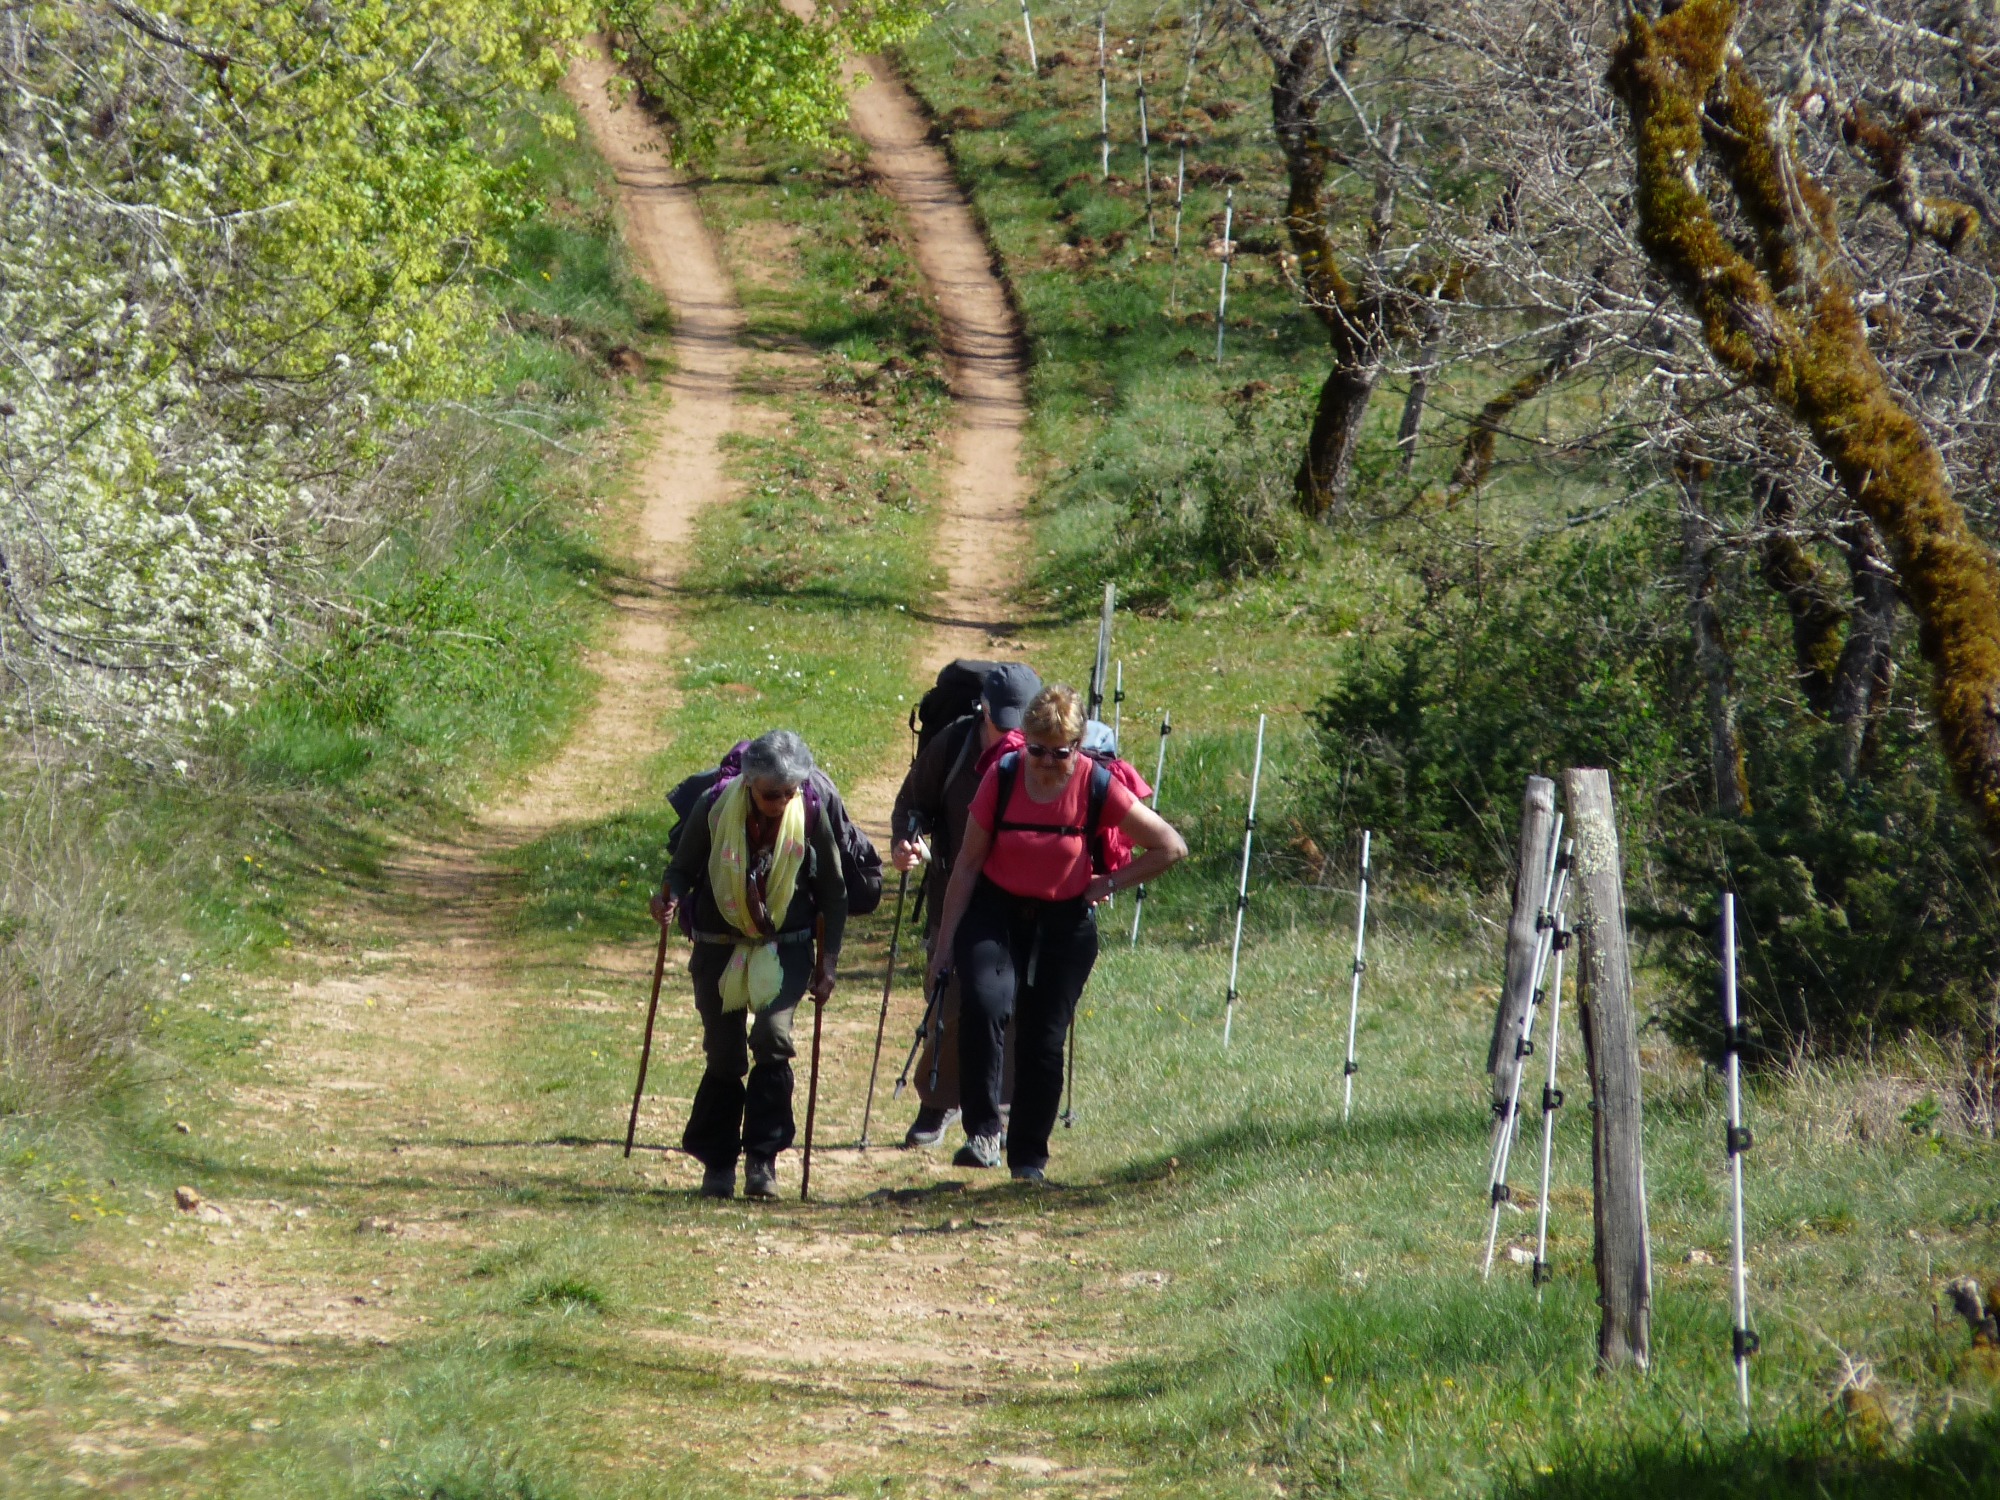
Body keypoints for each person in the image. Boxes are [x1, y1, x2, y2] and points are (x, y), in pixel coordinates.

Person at [927, 684, 1188, 1181]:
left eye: (1059, 752)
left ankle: (1028, 1158)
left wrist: (1108, 882)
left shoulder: (1096, 784)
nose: (1047, 761)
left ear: (1078, 744)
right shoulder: (1003, 776)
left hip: (1064, 921)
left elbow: (1170, 847)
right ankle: (983, 1133)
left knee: (1043, 1039)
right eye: (1038, 749)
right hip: (995, 910)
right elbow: (967, 865)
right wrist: (944, 948)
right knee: (984, 1004)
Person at [653, 730, 845, 1200]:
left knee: (773, 1038)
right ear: (749, 784)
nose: (781, 802)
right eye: (771, 794)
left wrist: (829, 962)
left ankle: (763, 1159)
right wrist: (669, 898)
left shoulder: (809, 811)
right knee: (724, 1055)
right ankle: (718, 1163)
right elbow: (681, 869)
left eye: (789, 792)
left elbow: (833, 891)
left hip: (786, 946)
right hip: (718, 945)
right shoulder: (715, 807)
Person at [889, 662, 1040, 1148]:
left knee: (1012, 1003)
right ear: (983, 709)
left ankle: (1001, 1106)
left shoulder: (1048, 750)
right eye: (1002, 721)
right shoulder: (954, 744)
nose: (1011, 732)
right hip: (955, 893)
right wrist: (905, 841)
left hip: (1025, 899)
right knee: (950, 1002)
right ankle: (938, 1100)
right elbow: (912, 803)